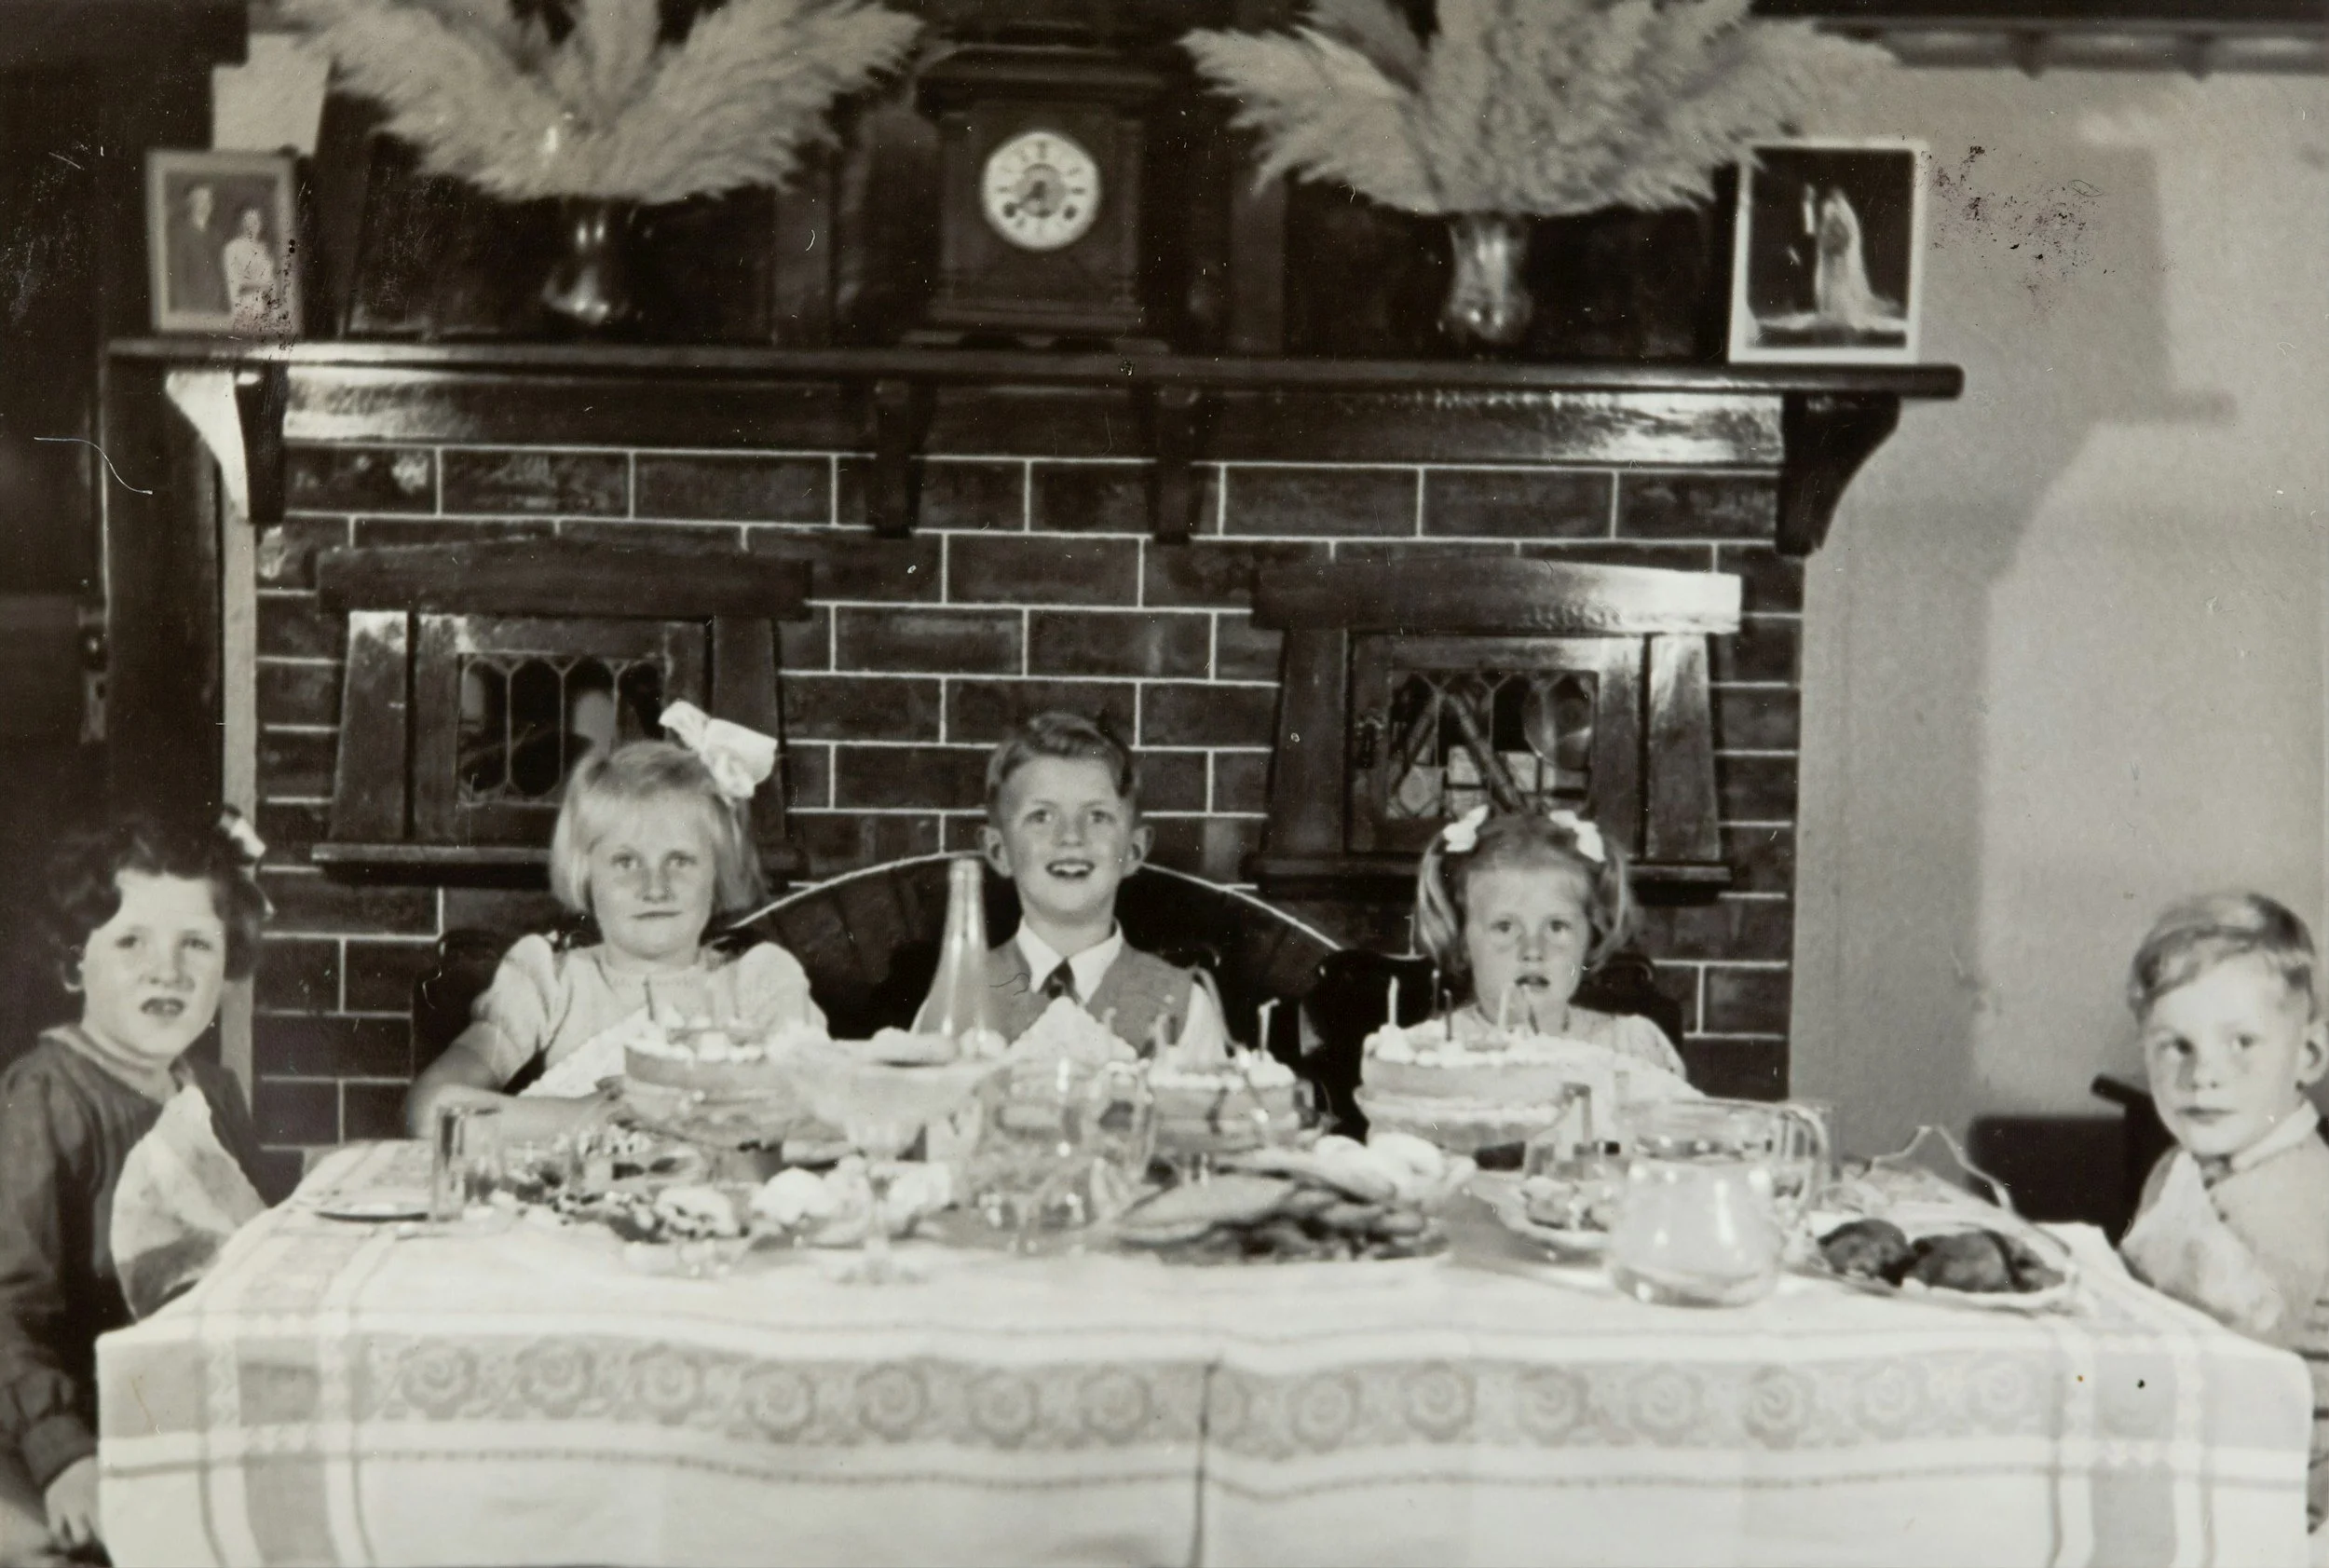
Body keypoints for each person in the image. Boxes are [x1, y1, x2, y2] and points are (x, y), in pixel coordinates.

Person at [0, 811, 269, 1565]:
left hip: (177, 1420)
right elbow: (6, 1308)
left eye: (197, 944)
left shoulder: (210, 1089)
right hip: (53, 1432)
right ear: (72, 963)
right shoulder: (46, 1097)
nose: (168, 970)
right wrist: (62, 1454)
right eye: (132, 941)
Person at [403, 704, 821, 1143]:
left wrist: (683, 1110)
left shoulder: (760, 984)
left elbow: (823, 1113)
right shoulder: (548, 981)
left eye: (680, 860)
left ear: (718, 872)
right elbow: (431, 1113)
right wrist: (595, 1115)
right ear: (587, 873)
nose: (654, 887)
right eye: (625, 862)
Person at [2118, 893, 2329, 1534]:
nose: (2204, 1074)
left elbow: (2213, 1390)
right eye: (2174, 1045)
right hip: (2197, 1463)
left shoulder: (2298, 1201)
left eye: (2242, 1042)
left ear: (2309, 1056)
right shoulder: (2177, 1167)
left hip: (2287, 1513)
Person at [976, 711, 1221, 1050]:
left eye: (1098, 817)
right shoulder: (960, 995)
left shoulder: (1184, 1007)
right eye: (1041, 816)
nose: (1071, 837)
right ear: (999, 850)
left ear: (1134, 850)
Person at [1410, 804, 1684, 1072]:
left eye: (1557, 927)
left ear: (1591, 937)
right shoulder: (1429, 1056)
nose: (1533, 950)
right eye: (1505, 927)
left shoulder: (1630, 1048)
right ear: (1462, 941)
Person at [167, 183, 228, 318]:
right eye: (199, 200)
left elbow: (223, 275)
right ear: (189, 203)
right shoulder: (179, 233)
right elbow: (177, 277)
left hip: (216, 308)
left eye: (208, 200)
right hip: (192, 309)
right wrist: (184, 310)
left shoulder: (216, 236)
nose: (205, 205)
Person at [222, 205, 278, 334]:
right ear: (240, 223)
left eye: (256, 221)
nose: (252, 225)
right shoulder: (232, 248)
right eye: (247, 221)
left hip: (267, 310)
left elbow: (272, 282)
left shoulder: (265, 249)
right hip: (244, 309)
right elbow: (234, 285)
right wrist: (262, 285)